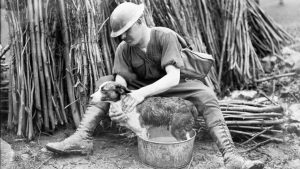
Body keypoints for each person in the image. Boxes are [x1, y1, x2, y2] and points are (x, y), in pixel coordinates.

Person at [46, 2, 264, 169]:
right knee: (105, 83)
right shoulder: (124, 48)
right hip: (140, 87)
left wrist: (140, 94)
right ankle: (82, 137)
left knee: (206, 94)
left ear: (140, 21)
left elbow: (172, 77)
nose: (123, 36)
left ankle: (230, 155)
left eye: (127, 30)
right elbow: (121, 81)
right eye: (119, 33)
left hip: (172, 85)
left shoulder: (165, 36)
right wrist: (116, 103)